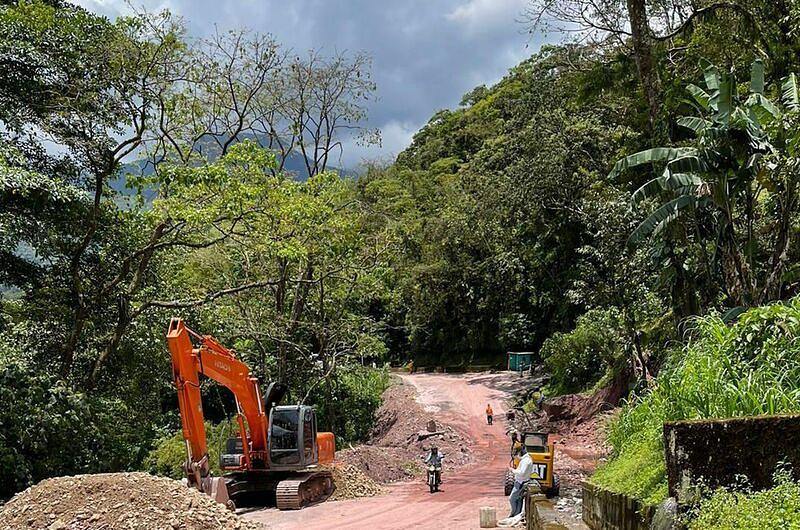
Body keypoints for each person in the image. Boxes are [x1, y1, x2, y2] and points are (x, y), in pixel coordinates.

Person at [508, 444, 534, 518]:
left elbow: (522, 472)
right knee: (519, 500)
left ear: (520, 453)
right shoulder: (526, 459)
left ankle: (513, 513)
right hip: (522, 481)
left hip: (520, 482)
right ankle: (517, 515)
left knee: (512, 499)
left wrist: (512, 470)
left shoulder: (526, 461)